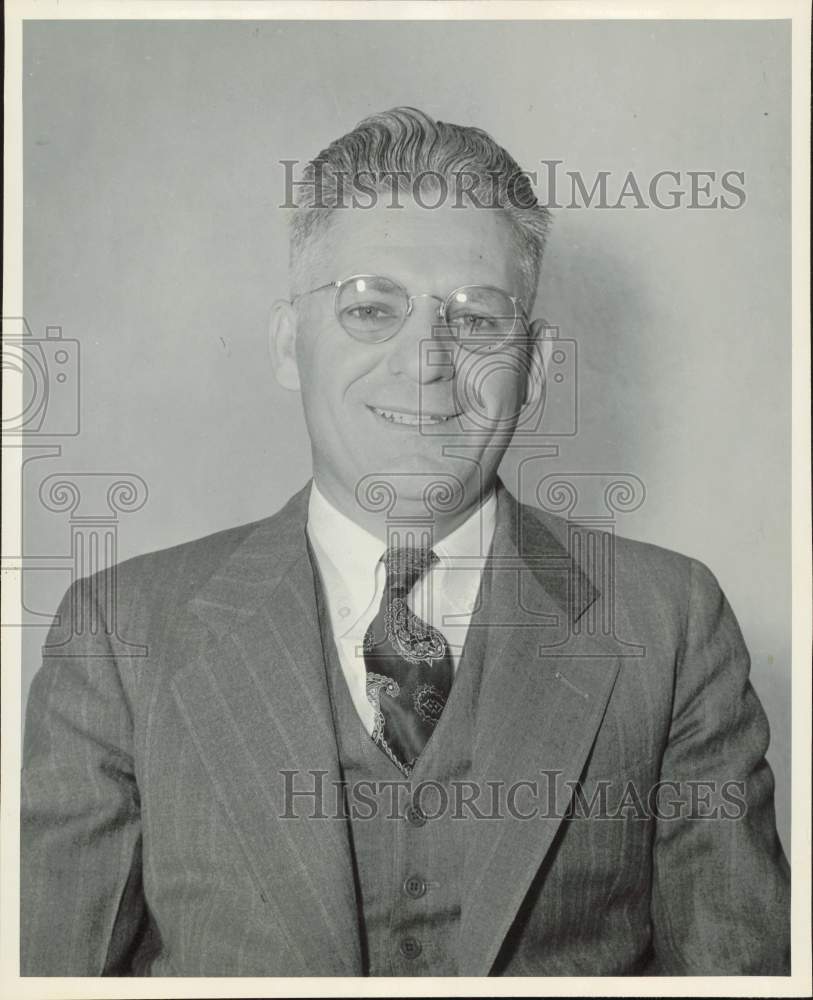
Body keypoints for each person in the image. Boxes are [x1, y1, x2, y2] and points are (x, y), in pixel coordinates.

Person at [21, 107, 790, 976]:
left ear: (532, 367)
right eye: (370, 308)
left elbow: (740, 979)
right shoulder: (122, 635)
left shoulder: (668, 623)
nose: (423, 359)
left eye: (474, 319)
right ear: (287, 345)